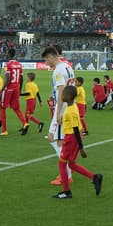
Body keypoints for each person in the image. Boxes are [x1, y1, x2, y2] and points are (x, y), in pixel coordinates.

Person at [53, 84, 103, 200]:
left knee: (62, 163)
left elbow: (75, 129)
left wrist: (81, 148)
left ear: (69, 96)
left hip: (71, 138)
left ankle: (66, 192)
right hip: (72, 137)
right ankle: (94, 177)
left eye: (64, 94)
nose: (62, 96)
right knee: (71, 164)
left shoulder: (71, 111)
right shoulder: (72, 106)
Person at [43, 46, 76, 186]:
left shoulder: (58, 70)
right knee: (58, 140)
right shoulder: (68, 67)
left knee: (54, 139)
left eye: (46, 60)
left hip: (62, 109)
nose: (46, 63)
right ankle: (67, 170)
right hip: (69, 106)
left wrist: (57, 113)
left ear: (51, 57)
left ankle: (67, 174)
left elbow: (62, 90)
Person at [3, 48, 26, 130]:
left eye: (7, 53)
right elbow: (22, 78)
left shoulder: (8, 65)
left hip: (9, 89)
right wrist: (20, 90)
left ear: (9, 54)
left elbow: (7, 78)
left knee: (2, 107)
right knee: (16, 108)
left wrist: (2, 90)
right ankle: (25, 123)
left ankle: (4, 130)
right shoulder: (19, 64)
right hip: (16, 88)